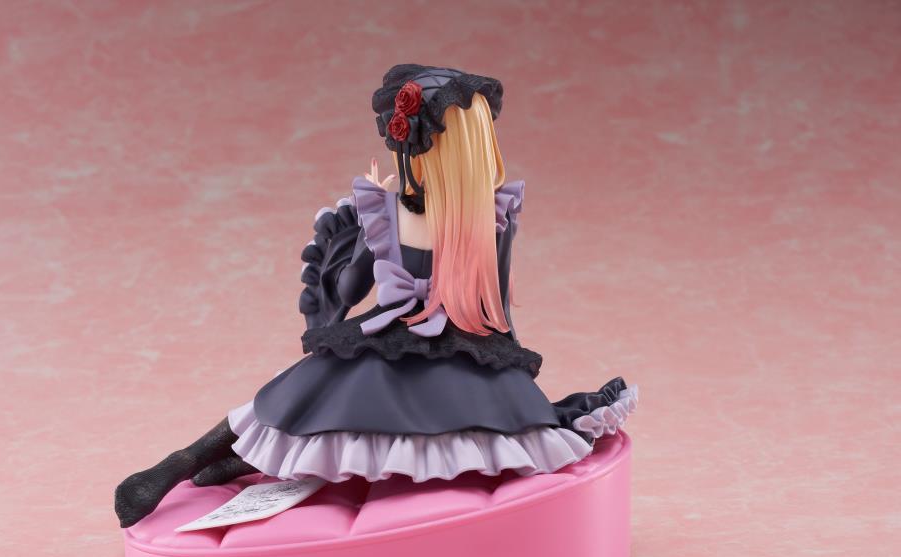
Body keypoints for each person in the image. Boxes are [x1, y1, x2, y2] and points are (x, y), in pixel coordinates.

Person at [114, 64, 638, 529]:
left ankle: (185, 463)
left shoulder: (417, 213)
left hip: (415, 336)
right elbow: (494, 308)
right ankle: (201, 464)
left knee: (302, 396)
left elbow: (353, 288)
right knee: (322, 400)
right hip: (449, 344)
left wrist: (348, 250)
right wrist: (511, 370)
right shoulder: (472, 215)